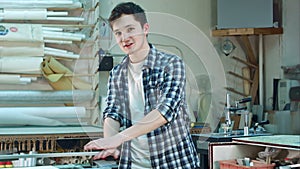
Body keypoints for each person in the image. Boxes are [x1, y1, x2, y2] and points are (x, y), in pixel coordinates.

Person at [84, 2, 200, 168]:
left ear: (145, 28)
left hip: (173, 163)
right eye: (118, 33)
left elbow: (164, 111)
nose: (124, 38)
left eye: (130, 29)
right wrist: (110, 141)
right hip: (134, 164)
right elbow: (112, 112)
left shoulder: (171, 64)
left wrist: (119, 138)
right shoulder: (117, 73)